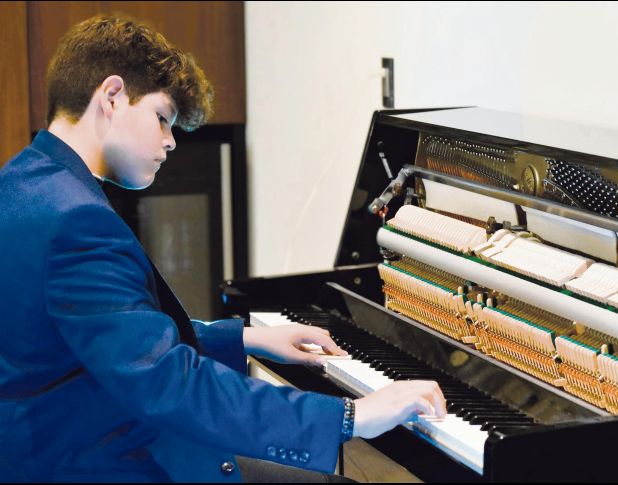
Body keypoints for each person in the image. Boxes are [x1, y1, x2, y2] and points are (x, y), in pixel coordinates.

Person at [0, 14, 446, 482]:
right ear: (111, 96)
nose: (170, 141)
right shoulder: (78, 220)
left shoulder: (24, 180)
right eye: (161, 119)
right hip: (92, 458)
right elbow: (170, 382)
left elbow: (110, 330)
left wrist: (245, 338)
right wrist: (351, 416)